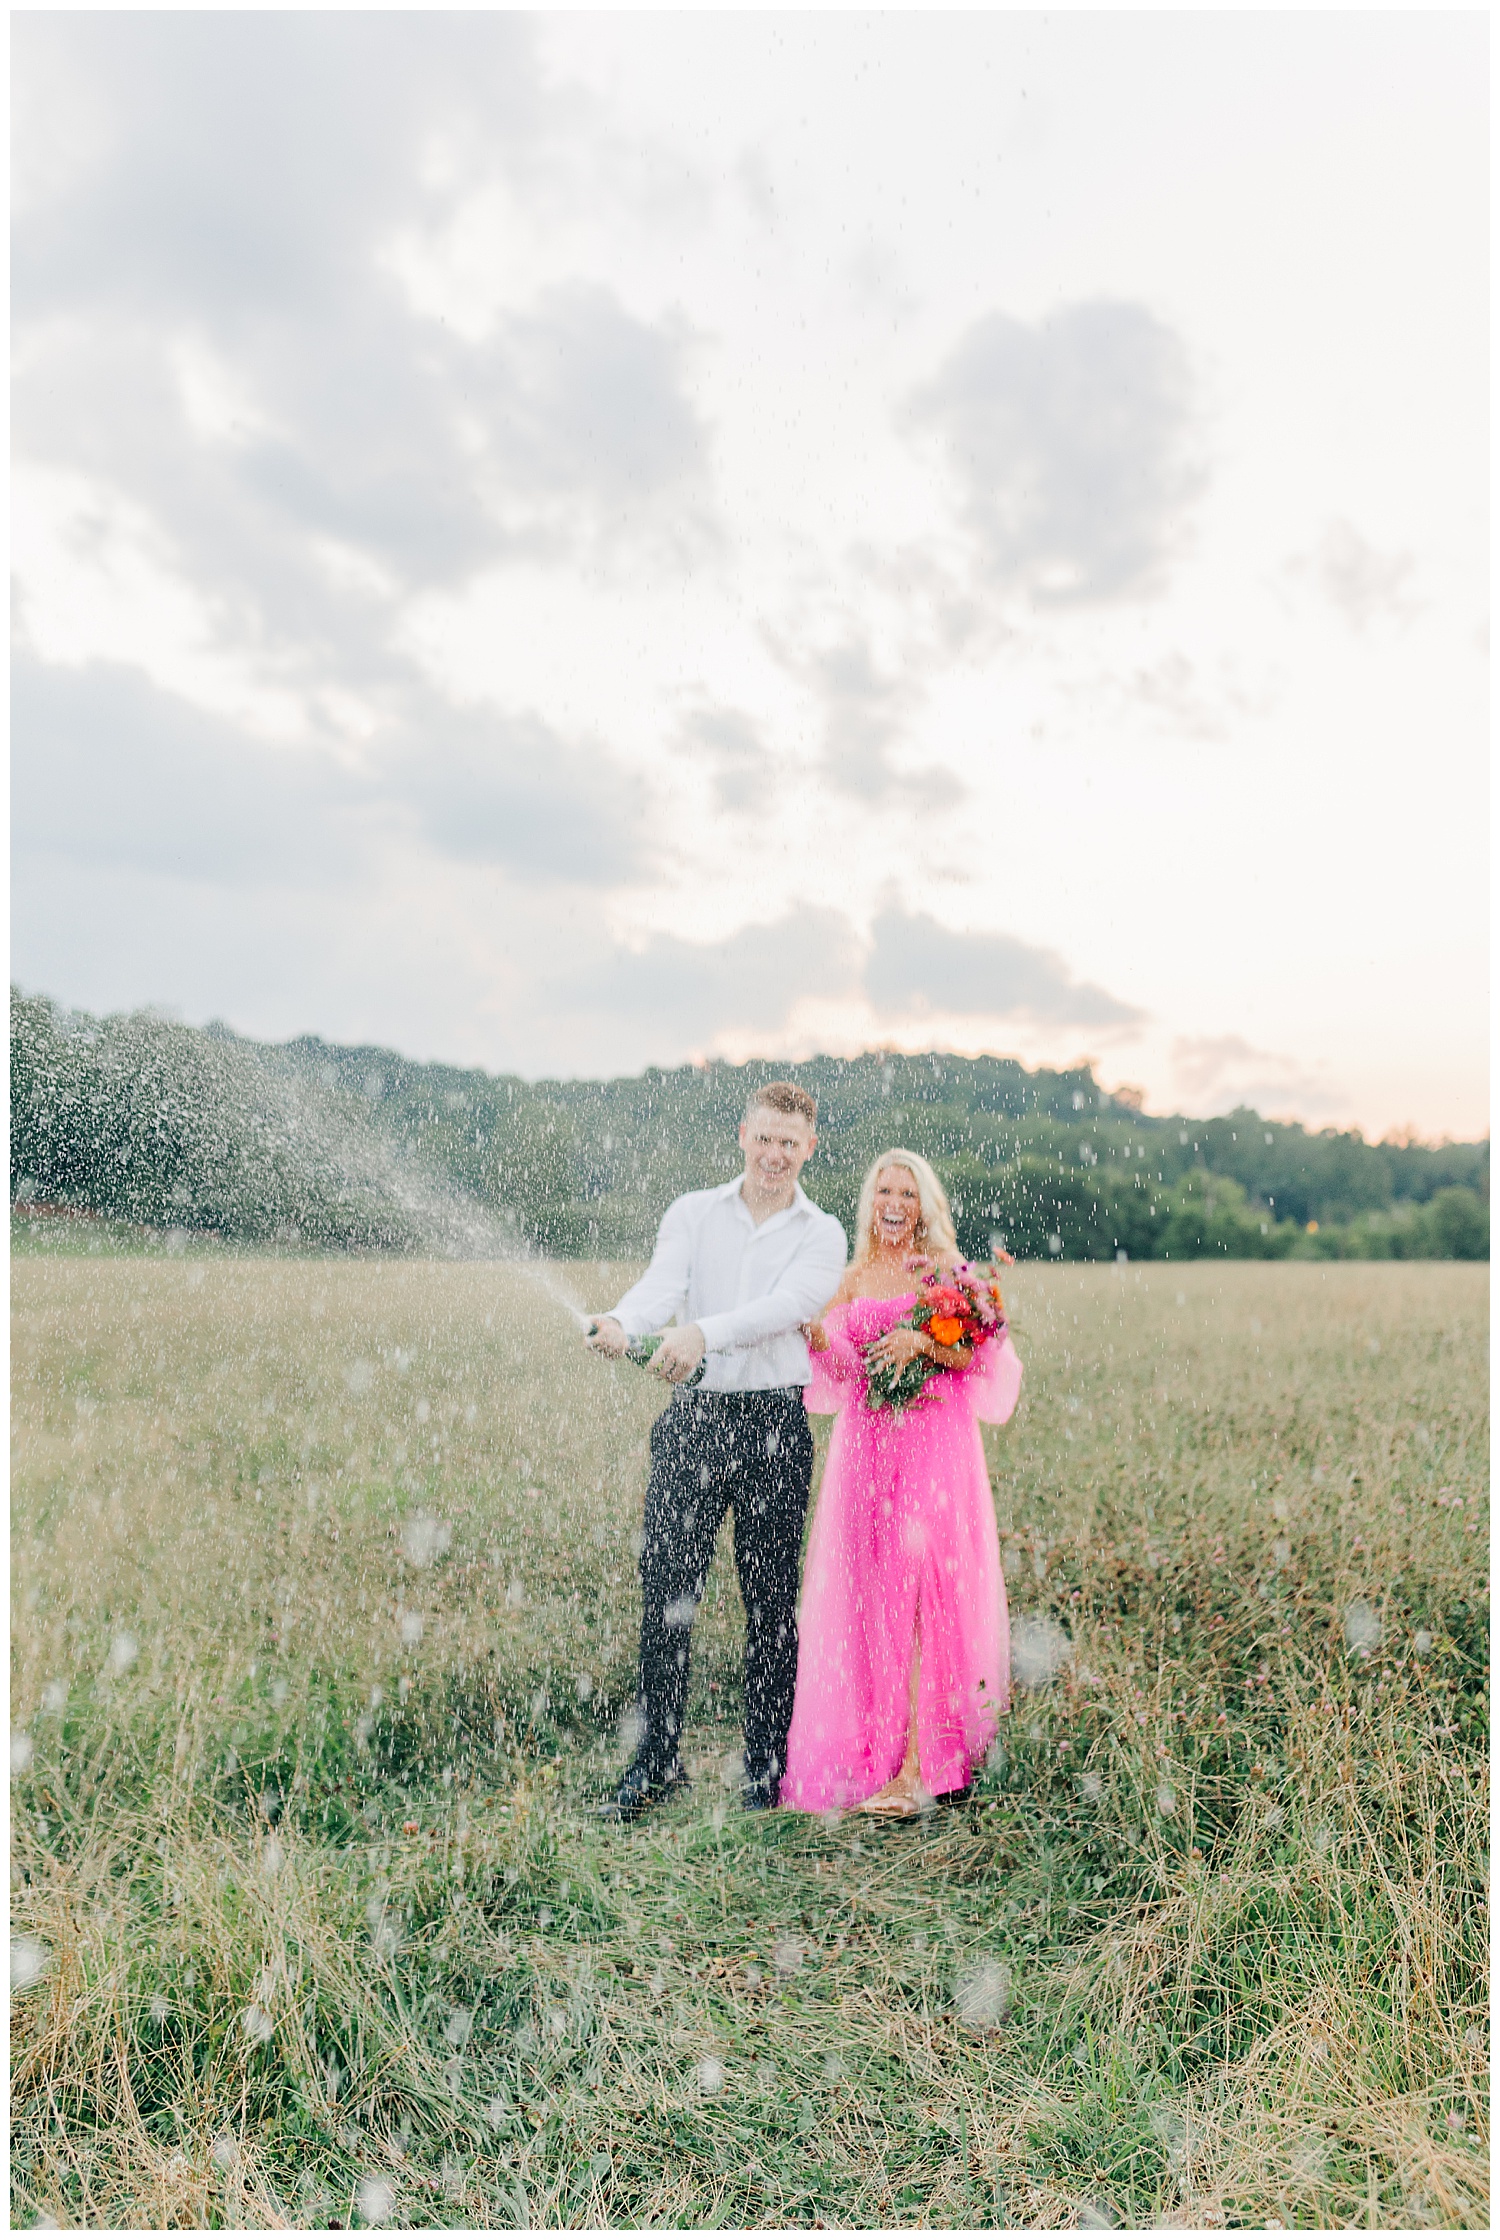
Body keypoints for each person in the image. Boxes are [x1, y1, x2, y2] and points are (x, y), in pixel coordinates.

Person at [585, 1083, 847, 1822]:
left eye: (789, 1143)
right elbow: (660, 1288)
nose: (774, 1154)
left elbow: (787, 1308)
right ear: (742, 1135)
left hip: (773, 1427)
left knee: (770, 1606)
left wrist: (702, 1333)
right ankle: (656, 1761)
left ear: (809, 1148)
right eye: (764, 1138)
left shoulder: (822, 1232)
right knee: (667, 1596)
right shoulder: (692, 1211)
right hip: (693, 1422)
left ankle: (765, 1770)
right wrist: (621, 1321)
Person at [782, 1150, 1022, 1819]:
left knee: (924, 1596)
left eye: (908, 1194)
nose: (895, 1203)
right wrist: (810, 1334)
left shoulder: (947, 1274)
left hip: (933, 1443)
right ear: (870, 1201)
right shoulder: (851, 1277)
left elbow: (972, 1356)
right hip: (866, 1448)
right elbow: (838, 1369)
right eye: (884, 1191)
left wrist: (922, 1346)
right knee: (872, 1597)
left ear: (925, 1205)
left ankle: (921, 1766)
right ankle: (876, 1753)